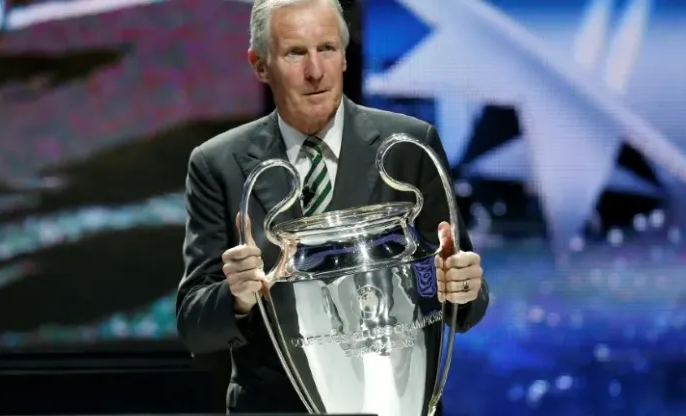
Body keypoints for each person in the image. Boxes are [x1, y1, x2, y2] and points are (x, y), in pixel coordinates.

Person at [176, 0, 489, 413]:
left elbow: (466, 301)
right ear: (260, 65)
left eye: (326, 48)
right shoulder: (218, 164)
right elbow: (194, 327)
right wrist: (237, 297)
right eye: (295, 53)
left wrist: (462, 286)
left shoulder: (409, 147)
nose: (315, 71)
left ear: (344, 56)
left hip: (395, 400)